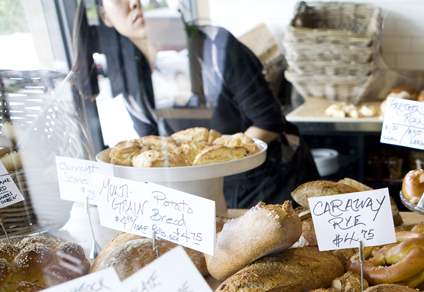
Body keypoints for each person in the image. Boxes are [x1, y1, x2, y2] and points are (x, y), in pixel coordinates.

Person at [75, 0, 319, 208]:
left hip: (269, 181)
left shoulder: (215, 45)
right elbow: (153, 143)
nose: (135, 2)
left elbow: (269, 120)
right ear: (104, 16)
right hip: (202, 192)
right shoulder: (130, 77)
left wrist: (215, 161)